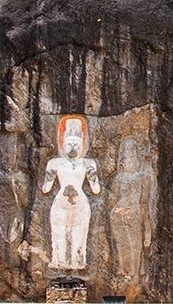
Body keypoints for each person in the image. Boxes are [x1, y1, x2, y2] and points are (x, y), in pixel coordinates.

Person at [43, 116, 101, 270]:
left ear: (82, 145)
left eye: (76, 144)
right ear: (63, 144)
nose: (73, 147)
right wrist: (49, 177)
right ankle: (59, 262)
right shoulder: (55, 163)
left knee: (79, 235)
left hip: (80, 204)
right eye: (69, 144)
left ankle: (78, 263)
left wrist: (93, 177)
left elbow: (96, 190)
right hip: (60, 204)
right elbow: (46, 189)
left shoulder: (88, 163)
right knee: (59, 235)